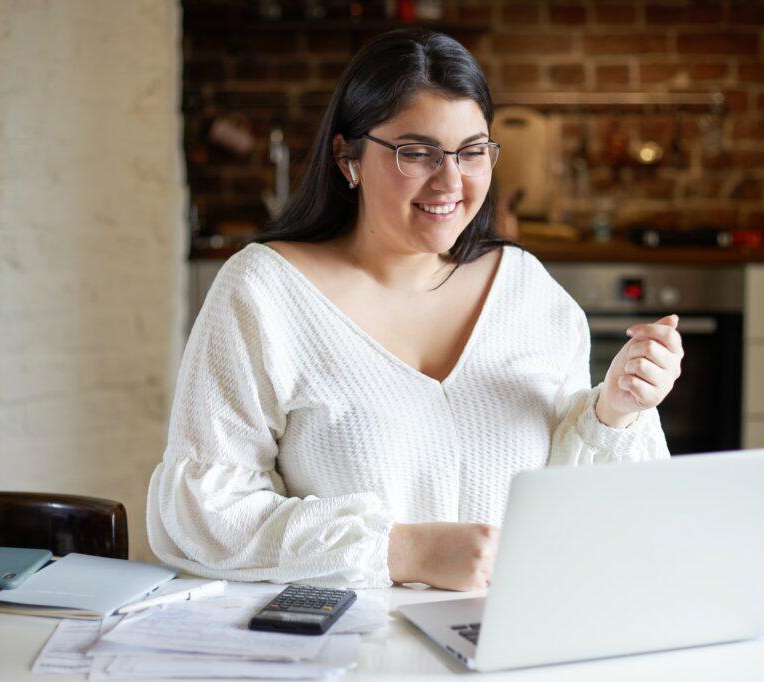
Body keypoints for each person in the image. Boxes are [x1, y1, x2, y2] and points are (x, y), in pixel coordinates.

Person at [147, 28, 683, 591]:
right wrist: (403, 552)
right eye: (417, 152)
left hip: (504, 641)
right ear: (347, 157)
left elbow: (575, 516)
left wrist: (615, 412)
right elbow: (205, 513)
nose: (450, 182)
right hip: (341, 653)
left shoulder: (527, 289)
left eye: (473, 152)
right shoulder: (263, 292)